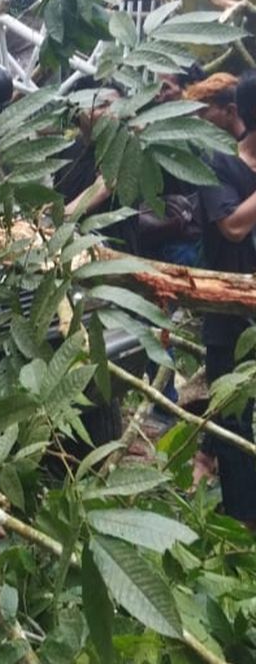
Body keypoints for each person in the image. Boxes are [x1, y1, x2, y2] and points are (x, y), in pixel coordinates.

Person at [192, 71, 256, 530]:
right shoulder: (218, 165)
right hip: (228, 316)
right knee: (233, 425)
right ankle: (243, 529)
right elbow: (232, 226)